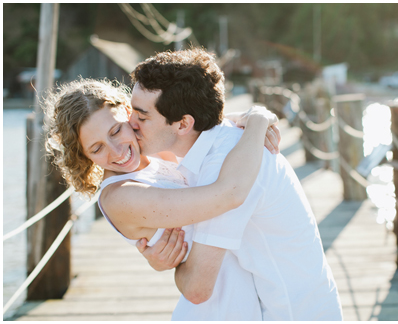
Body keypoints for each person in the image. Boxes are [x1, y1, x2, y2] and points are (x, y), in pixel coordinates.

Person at [129, 48, 343, 320]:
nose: (130, 123)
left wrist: (171, 264)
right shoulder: (223, 142)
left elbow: (197, 288)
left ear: (183, 124)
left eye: (142, 116)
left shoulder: (226, 166)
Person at [43, 79, 280, 320]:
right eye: (96, 149)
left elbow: (195, 132)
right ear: (82, 155)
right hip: (218, 309)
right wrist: (257, 121)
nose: (116, 151)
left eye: (116, 130)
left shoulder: (156, 152)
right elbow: (228, 195)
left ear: (128, 112)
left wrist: (240, 118)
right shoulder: (120, 197)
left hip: (253, 293)